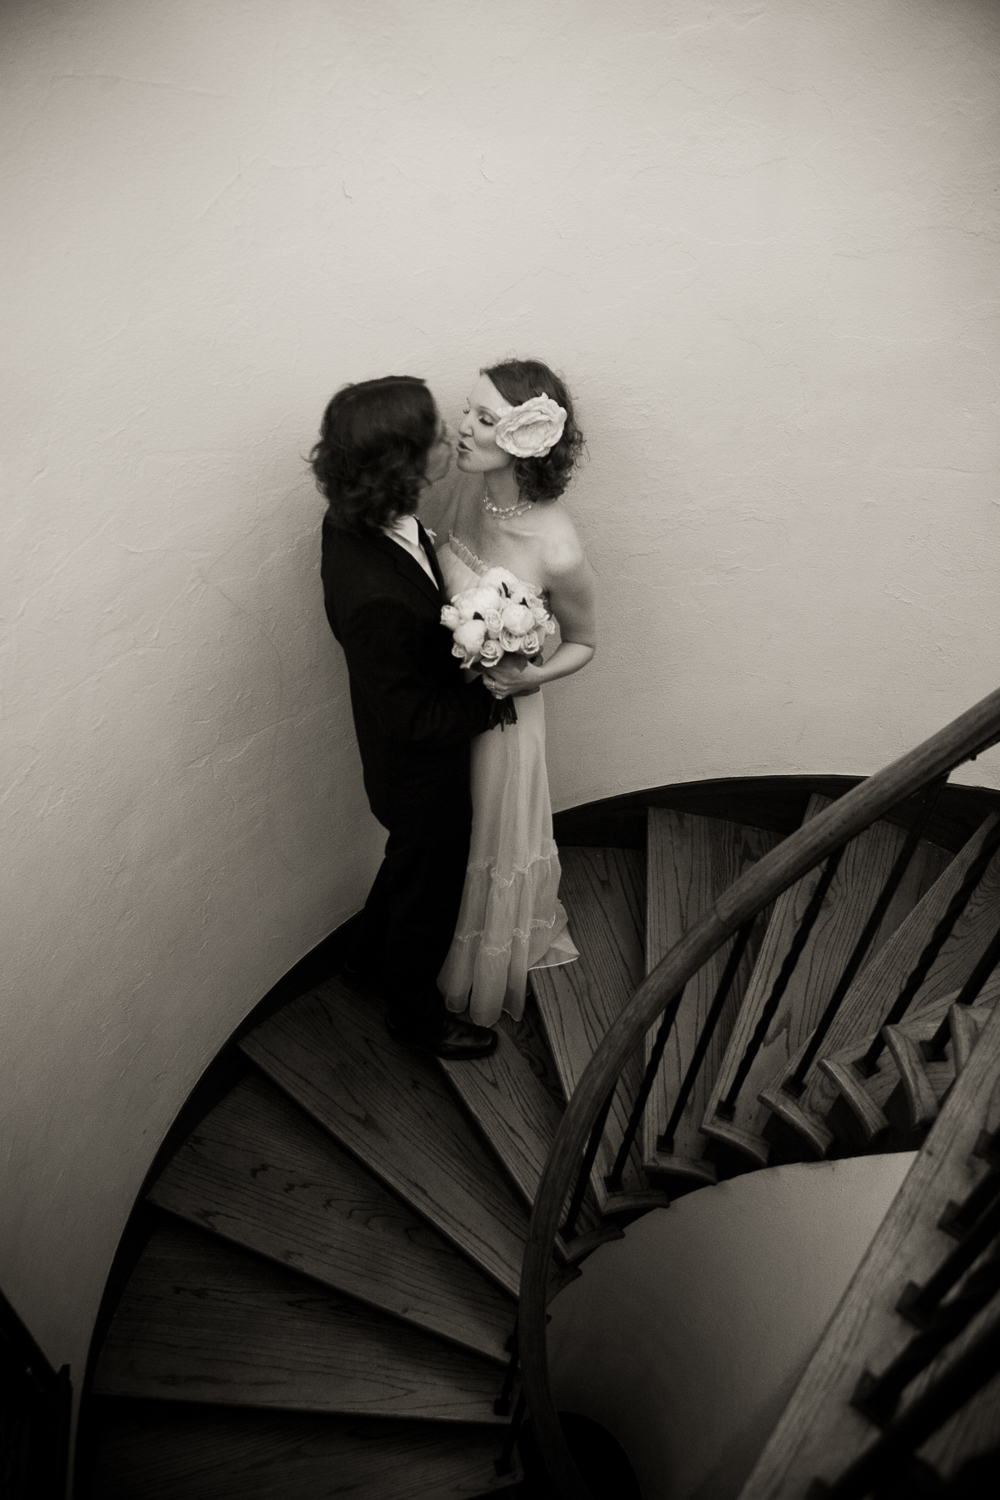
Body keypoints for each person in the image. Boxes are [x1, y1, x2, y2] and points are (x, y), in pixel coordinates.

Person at [313, 375, 500, 1061]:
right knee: (431, 890)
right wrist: (493, 694)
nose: (447, 439)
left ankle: (364, 962)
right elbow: (415, 719)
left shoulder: (357, 520)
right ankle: (413, 1015)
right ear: (401, 464)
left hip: (404, 771)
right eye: (432, 436)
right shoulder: (370, 593)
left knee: (407, 867)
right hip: (419, 776)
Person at [428, 359, 597, 1027]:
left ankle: (481, 966)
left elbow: (585, 643)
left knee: (489, 839)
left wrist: (529, 675)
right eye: (467, 411)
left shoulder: (558, 548)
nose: (462, 428)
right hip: (450, 703)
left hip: (505, 716)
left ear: (526, 440)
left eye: (483, 420)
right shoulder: (468, 491)